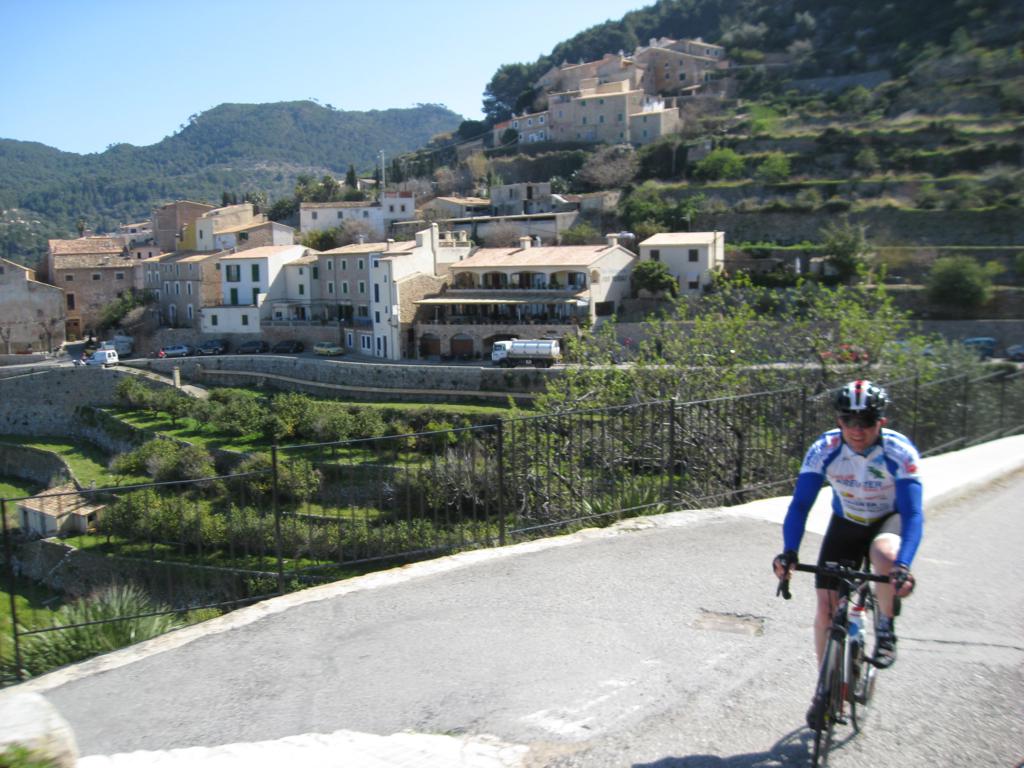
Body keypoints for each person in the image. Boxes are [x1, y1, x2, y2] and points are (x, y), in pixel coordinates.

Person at [772, 380, 922, 726]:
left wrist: (903, 565)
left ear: (881, 421)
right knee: (826, 607)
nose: (856, 430)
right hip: (848, 522)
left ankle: (885, 626)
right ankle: (826, 691)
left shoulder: (899, 451)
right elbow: (800, 506)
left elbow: (913, 513)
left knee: (884, 555)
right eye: (848, 421)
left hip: (889, 519)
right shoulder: (824, 448)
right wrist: (789, 552)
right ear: (838, 420)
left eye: (866, 421)